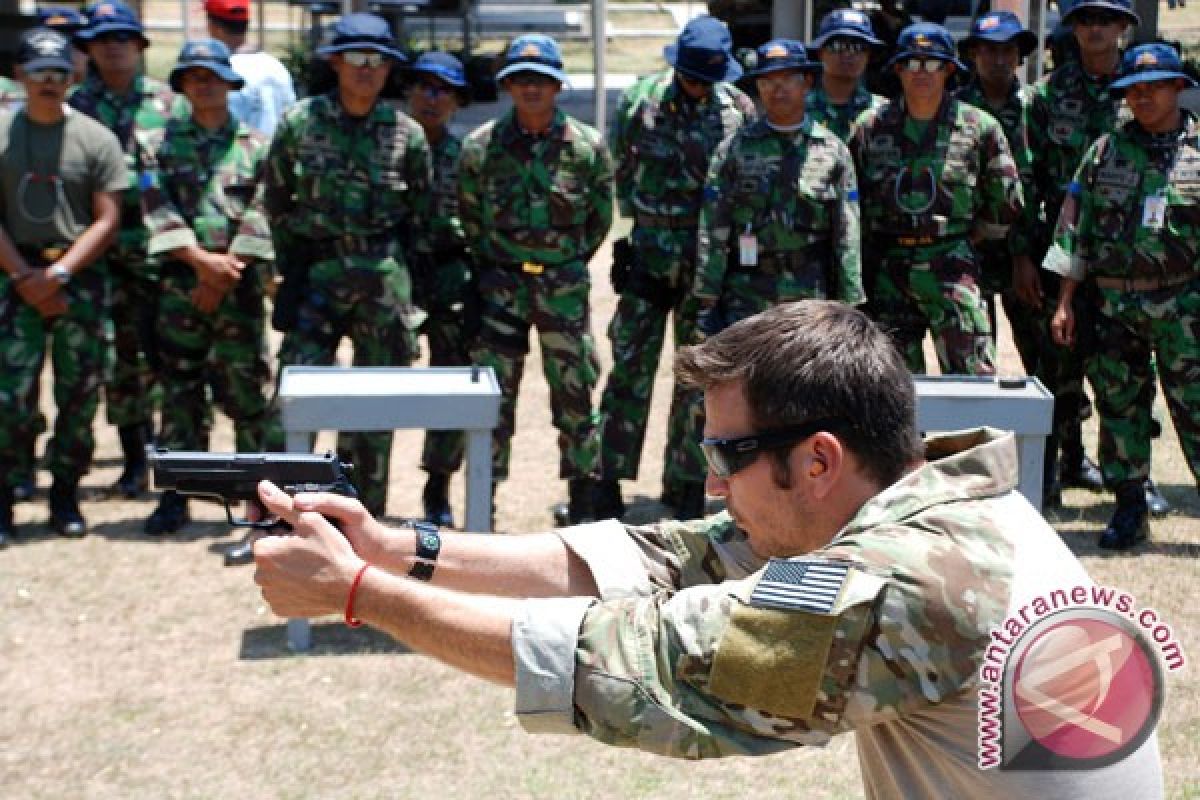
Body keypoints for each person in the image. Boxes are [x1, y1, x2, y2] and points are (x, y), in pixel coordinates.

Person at [250, 299, 1163, 796]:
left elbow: (644, 667)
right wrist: (404, 546)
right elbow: (666, 556)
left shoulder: (907, 581)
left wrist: (361, 594)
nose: (714, 485)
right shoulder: (940, 509)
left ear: (818, 460)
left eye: (728, 457)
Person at [261, 12, 431, 520]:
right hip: (317, 277)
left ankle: (363, 516)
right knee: (295, 398)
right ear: (335, 61)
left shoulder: (407, 134)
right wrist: (286, 271)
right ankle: (283, 513)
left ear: (388, 69)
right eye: (355, 57)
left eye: (376, 60)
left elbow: (419, 217)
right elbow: (274, 200)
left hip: (383, 282)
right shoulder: (299, 123)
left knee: (373, 409)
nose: (365, 69)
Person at [594, 15, 755, 522]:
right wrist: (628, 242)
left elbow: (742, 184)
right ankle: (606, 480)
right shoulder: (639, 100)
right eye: (689, 77)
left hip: (707, 269)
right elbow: (617, 173)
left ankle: (685, 482)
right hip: (649, 258)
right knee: (630, 373)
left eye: (705, 80)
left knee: (698, 379)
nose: (696, 88)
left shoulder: (738, 110)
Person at [1045, 43, 1200, 550]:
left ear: (1179, 86)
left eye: (1154, 86)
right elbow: (1074, 230)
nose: (1144, 96)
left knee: (1195, 406)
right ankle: (1130, 505)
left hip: (1185, 307)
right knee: (1120, 408)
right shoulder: (1104, 152)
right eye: (1134, 88)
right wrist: (1066, 300)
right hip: (1114, 305)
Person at [457, 34, 613, 524]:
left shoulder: (587, 147)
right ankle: (485, 503)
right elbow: (470, 219)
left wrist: (560, 262)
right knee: (493, 398)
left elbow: (598, 221)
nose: (531, 88)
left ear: (557, 85)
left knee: (574, 394)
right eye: (520, 79)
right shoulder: (481, 147)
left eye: (540, 79)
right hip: (501, 287)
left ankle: (583, 502)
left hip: (562, 289)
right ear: (507, 86)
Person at [137, 39, 275, 536]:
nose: (204, 83)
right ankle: (177, 497)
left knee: (246, 395)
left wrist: (227, 267)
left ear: (230, 82)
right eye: (194, 75)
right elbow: (156, 207)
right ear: (181, 85)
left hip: (236, 292)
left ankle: (259, 501)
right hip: (181, 291)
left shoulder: (257, 145)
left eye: (213, 75)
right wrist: (200, 264)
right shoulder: (156, 145)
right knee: (179, 394)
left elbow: (265, 209)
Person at [0, 27, 126, 545]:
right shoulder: (3, 135)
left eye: (57, 73)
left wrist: (58, 275)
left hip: (77, 279)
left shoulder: (95, 138)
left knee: (79, 396)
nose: (49, 82)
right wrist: (22, 277)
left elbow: (108, 217)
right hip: (14, 277)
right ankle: (6, 499)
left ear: (72, 76)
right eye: (38, 73)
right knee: (9, 397)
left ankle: (65, 495)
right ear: (19, 76)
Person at [848, 23, 1023, 375]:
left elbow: (1006, 199)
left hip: (952, 266)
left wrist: (970, 237)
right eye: (912, 64)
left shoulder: (979, 126)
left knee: (972, 382)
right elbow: (852, 200)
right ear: (898, 70)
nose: (921, 73)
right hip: (888, 269)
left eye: (932, 64)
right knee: (890, 384)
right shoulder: (870, 127)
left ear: (948, 70)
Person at [1024, 0, 1142, 508]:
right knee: (1059, 366)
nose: (1095, 29)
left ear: (1123, 27)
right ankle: (1052, 470)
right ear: (1072, 28)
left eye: (1105, 20)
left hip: (1132, 254)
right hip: (1063, 249)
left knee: (1130, 371)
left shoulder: (1144, 88)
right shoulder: (1046, 96)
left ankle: (1134, 477)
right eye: (1084, 20)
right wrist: (1023, 256)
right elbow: (1028, 183)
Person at [71, 0, 181, 499]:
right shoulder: (74, 108)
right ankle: (135, 457)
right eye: (103, 39)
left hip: (160, 254)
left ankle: (170, 453)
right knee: (118, 362)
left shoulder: (168, 103)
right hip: (99, 256)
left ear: (139, 45)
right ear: (89, 48)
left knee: (168, 355)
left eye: (123, 37)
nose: (114, 46)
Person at [694, 39, 863, 330]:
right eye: (767, 81)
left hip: (809, 294)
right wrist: (707, 296)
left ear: (807, 83)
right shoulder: (734, 149)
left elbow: (847, 231)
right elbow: (713, 224)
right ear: (757, 87)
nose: (778, 89)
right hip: (746, 294)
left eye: (788, 79)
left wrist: (849, 301)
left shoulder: (832, 150)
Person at [955, 14, 1045, 388]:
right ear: (974, 54)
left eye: (1008, 50)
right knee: (975, 358)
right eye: (989, 50)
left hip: (1025, 249)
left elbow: (1039, 184)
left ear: (1020, 57)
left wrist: (1024, 256)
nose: (998, 59)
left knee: (1043, 356)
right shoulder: (954, 108)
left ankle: (1056, 445)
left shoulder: (1037, 108)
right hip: (969, 248)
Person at [404, 51, 474, 528]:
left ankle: (438, 485)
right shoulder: (386, 145)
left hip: (450, 276)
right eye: (425, 87)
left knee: (451, 383)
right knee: (377, 382)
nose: (432, 98)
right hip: (395, 274)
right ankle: (360, 485)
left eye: (443, 90)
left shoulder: (468, 154)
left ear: (457, 101)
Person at [204, 0, 297, 137]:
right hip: (279, 154)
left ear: (215, 28)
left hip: (243, 156)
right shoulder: (277, 67)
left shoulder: (224, 74)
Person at [805, 9, 886, 142]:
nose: (848, 54)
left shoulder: (884, 111)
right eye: (837, 46)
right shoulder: (798, 109)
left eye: (858, 47)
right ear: (820, 52)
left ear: (869, 54)